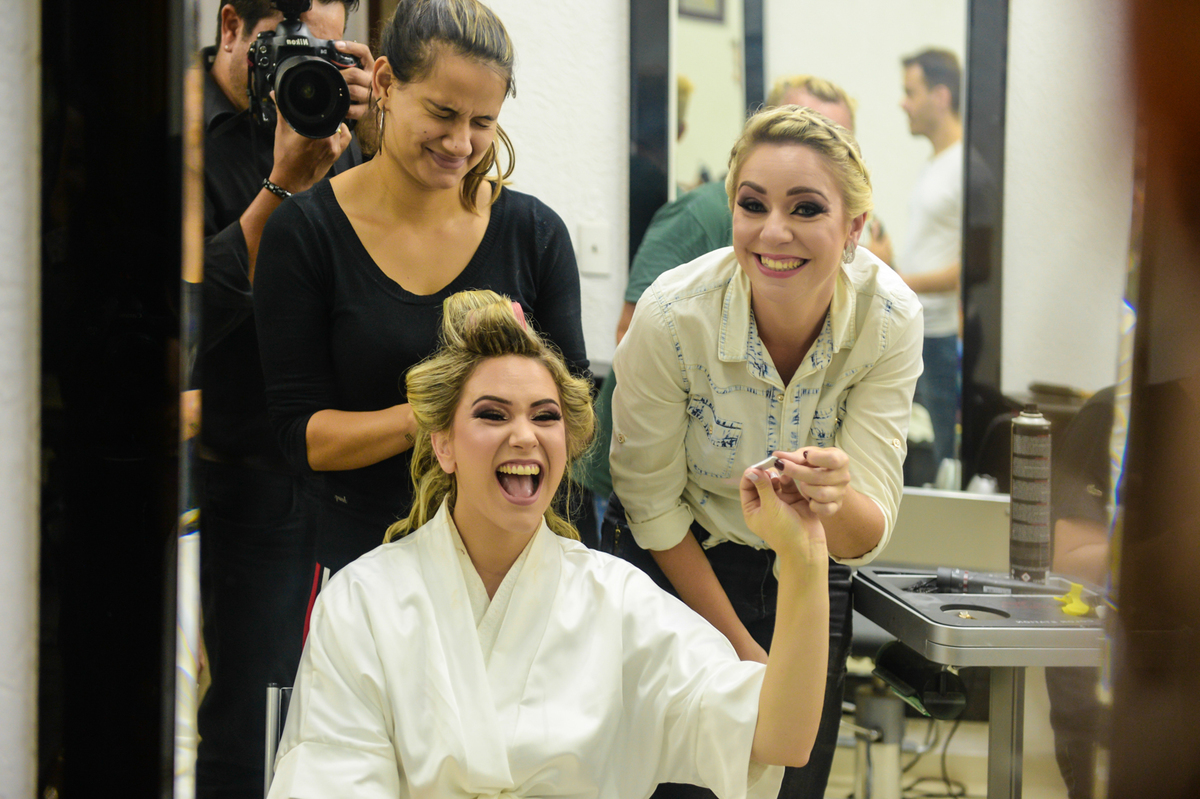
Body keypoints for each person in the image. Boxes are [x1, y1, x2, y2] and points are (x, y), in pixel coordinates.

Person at [267, 290, 830, 799]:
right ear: (443, 445)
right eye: (492, 414)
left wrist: (803, 559)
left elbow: (778, 739)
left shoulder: (621, 604)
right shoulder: (363, 602)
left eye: (545, 416)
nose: (524, 435)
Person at [607, 105, 923, 799]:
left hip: (807, 573)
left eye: (806, 208)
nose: (773, 231)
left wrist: (833, 500)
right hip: (678, 562)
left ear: (855, 228)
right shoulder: (671, 316)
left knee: (788, 781)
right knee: (676, 783)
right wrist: (743, 651)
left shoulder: (889, 318)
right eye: (753, 204)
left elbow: (866, 535)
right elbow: (651, 507)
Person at [253, 0, 589, 579]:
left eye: (483, 122)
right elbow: (302, 437)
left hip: (508, 557)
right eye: (442, 112)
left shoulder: (535, 236)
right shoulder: (306, 234)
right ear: (384, 82)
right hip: (363, 557)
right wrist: (441, 414)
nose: (461, 143)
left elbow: (575, 417)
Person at [196, 2, 374, 797]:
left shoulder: (347, 136)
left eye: (325, 48)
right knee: (248, 715)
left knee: (351, 706)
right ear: (232, 26)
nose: (304, 66)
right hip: (253, 472)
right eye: (287, 44)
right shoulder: (184, 138)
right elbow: (198, 310)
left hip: (355, 464)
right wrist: (280, 187)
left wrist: (387, 132)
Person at [580, 75, 860, 540]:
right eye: (798, 126)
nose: (814, 150)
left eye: (836, 140)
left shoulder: (869, 293)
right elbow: (630, 328)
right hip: (642, 487)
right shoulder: (697, 219)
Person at [890, 48, 964, 473]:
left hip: (939, 339)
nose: (903, 103)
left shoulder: (963, 166)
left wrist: (898, 278)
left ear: (940, 96)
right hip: (918, 329)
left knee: (943, 462)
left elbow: (968, 270)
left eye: (910, 92)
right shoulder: (936, 163)